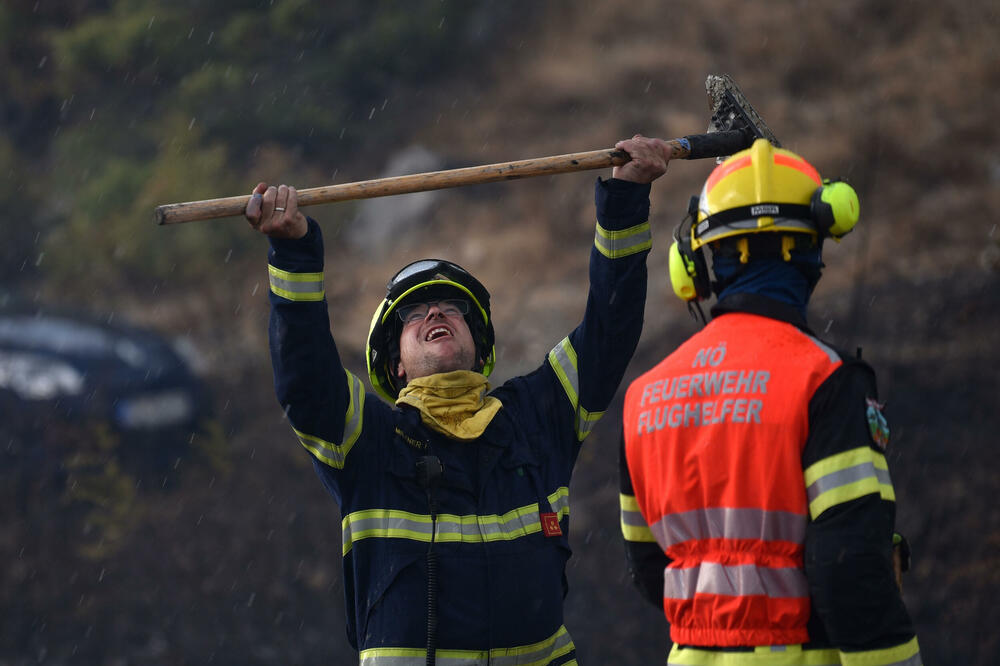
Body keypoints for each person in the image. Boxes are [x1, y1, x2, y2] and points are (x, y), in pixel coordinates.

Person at [247, 135, 672, 665]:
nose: (435, 313)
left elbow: (611, 327)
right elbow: (305, 376)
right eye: (414, 314)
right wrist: (294, 251)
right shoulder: (368, 443)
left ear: (480, 347)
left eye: (452, 308)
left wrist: (626, 199)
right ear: (396, 366)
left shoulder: (537, 418)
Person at [619, 138, 922, 664]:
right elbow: (849, 569)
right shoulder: (827, 381)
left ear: (699, 263)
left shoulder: (643, 396)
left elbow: (650, 570)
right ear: (813, 250)